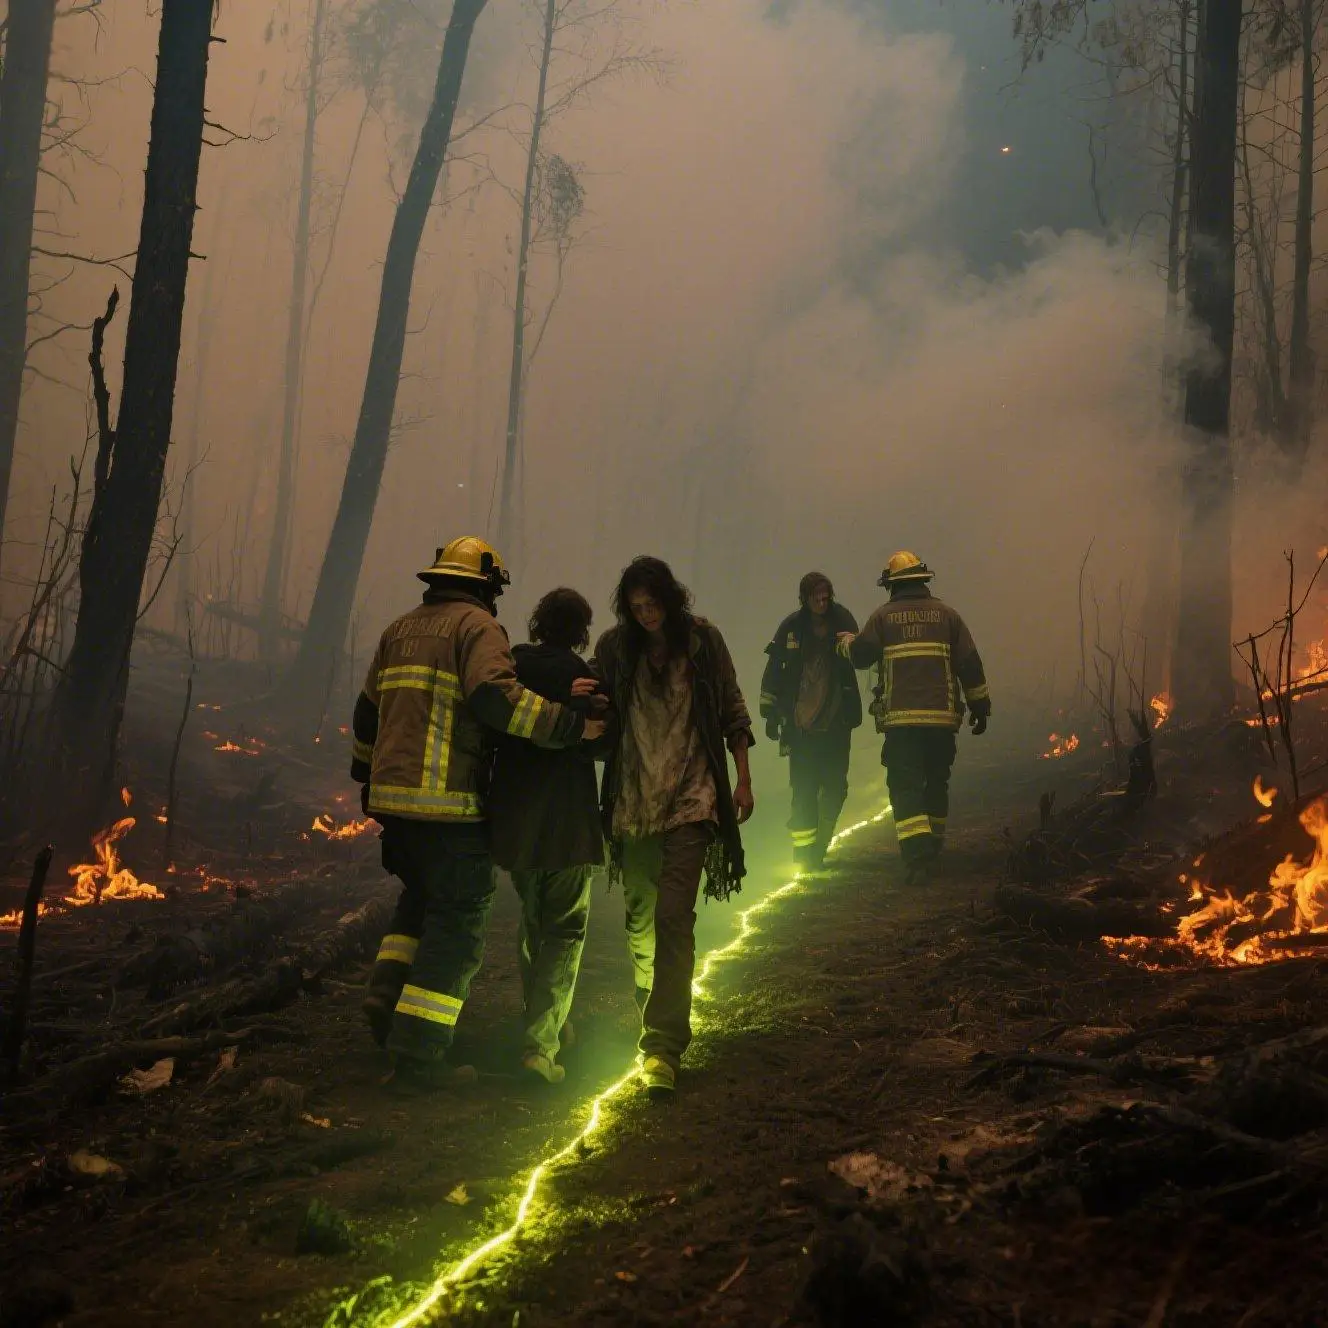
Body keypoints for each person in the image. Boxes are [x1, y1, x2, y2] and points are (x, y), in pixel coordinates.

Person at [350, 537, 604, 1087]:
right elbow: (495, 699)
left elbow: (367, 713)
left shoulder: (399, 629)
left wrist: (365, 781)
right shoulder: (477, 629)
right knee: (459, 924)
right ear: (487, 585)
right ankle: (419, 1054)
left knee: (419, 901)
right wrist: (567, 724)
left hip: (393, 803)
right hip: (447, 805)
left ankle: (385, 996)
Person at [592, 556, 754, 1098]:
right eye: (636, 608)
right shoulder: (616, 650)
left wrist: (743, 779)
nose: (646, 615)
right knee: (640, 917)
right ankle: (652, 999)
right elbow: (598, 709)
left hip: (695, 795)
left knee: (672, 915)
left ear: (671, 599)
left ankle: (662, 1047)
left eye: (653, 604)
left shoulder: (703, 642)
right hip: (635, 802)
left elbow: (732, 706)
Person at [487, 588, 608, 1086]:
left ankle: (545, 1021)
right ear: (581, 629)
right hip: (567, 826)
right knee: (564, 931)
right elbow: (602, 739)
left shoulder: (512, 670)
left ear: (539, 621)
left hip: (516, 825)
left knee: (533, 923)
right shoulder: (582, 676)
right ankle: (540, 1045)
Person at [836, 551, 989, 886]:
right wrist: (981, 706)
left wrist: (846, 643)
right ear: (923, 580)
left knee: (905, 787)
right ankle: (933, 847)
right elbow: (970, 665)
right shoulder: (948, 616)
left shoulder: (883, 618)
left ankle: (917, 859)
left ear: (891, 585)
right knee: (936, 781)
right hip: (940, 722)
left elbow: (861, 657)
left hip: (903, 723)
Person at [759, 572, 862, 873]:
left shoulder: (843, 622)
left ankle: (820, 845)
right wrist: (769, 713)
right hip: (800, 728)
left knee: (834, 788)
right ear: (804, 598)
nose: (822, 601)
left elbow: (861, 655)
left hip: (836, 725)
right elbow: (775, 669)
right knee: (803, 790)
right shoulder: (791, 628)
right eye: (816, 596)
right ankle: (804, 854)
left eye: (826, 595)